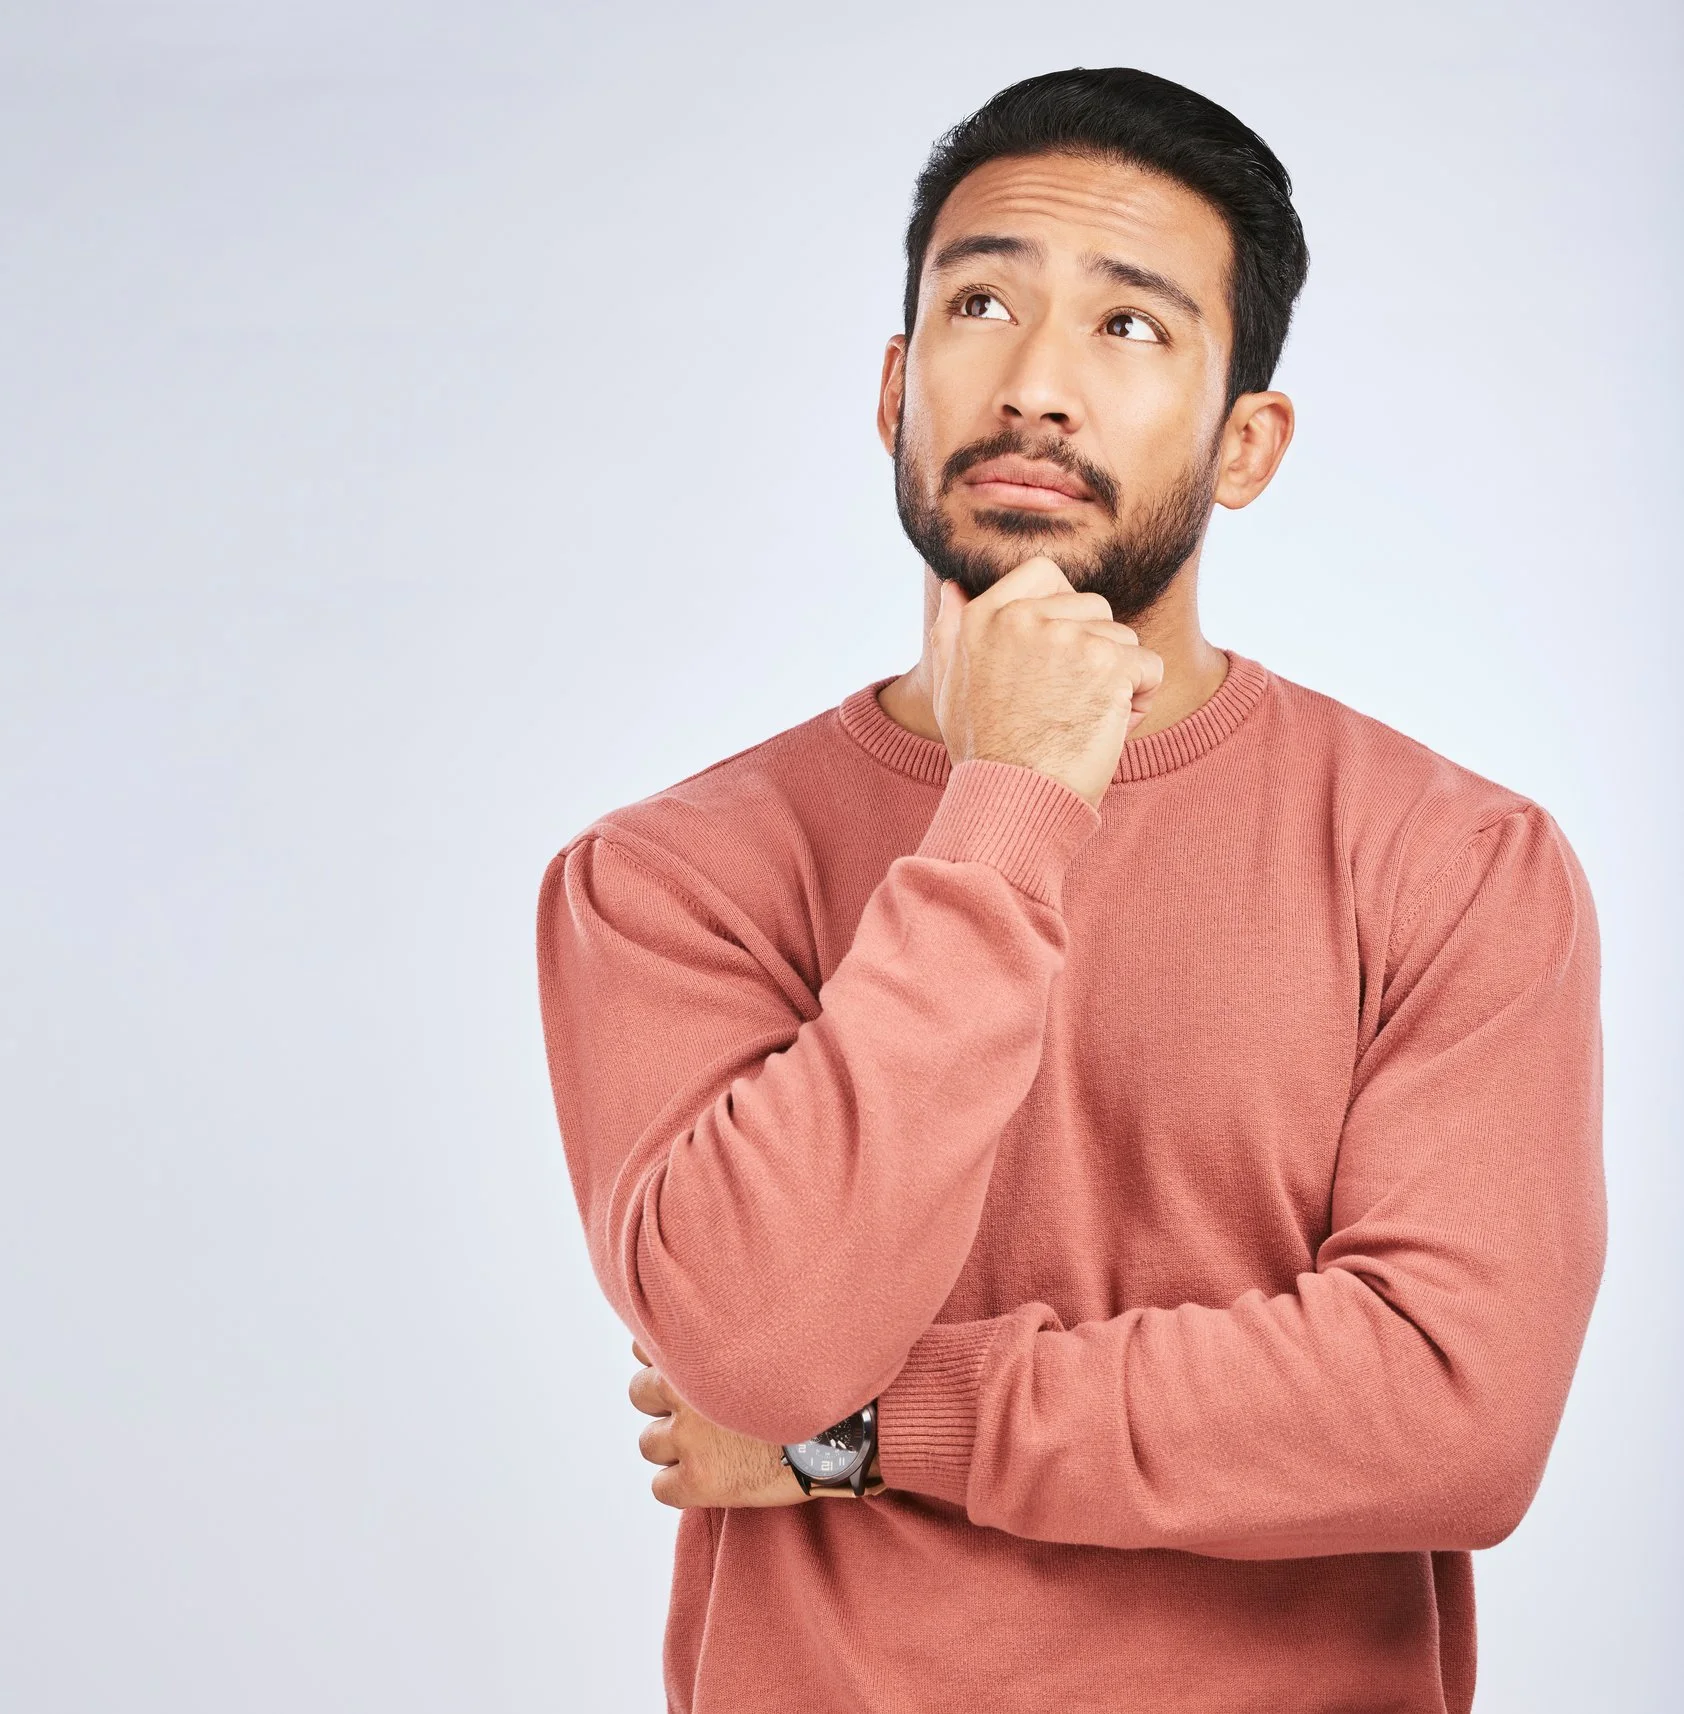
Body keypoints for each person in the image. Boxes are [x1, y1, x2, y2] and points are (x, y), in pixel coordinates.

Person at [532, 67, 1603, 1713]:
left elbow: (1456, 1410)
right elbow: (755, 1346)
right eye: (981, 302)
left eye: (1130, 329)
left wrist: (877, 1434)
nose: (1035, 385)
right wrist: (1014, 801)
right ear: (896, 383)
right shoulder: (668, 877)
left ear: (1246, 442)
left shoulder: (1454, 863)